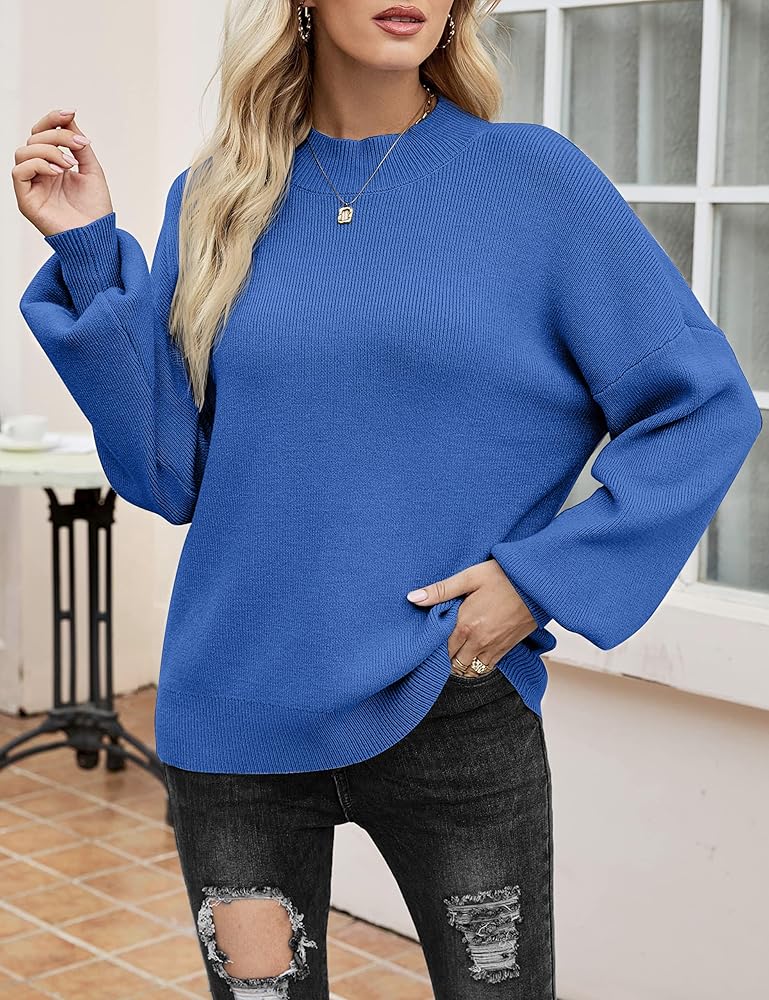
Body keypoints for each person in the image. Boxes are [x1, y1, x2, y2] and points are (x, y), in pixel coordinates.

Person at [13, 1, 761, 997]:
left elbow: (701, 405)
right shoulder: (216, 197)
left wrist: (539, 581)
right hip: (235, 712)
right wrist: (87, 250)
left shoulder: (535, 182)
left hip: (450, 702)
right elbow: (169, 472)